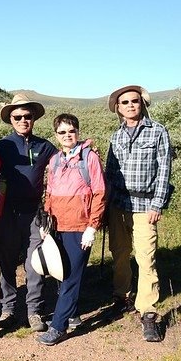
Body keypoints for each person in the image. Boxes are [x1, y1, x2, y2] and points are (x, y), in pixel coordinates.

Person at [105, 84, 172, 342]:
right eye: (125, 102)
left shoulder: (158, 131)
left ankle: (148, 313)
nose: (131, 105)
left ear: (142, 104)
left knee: (146, 257)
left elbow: (164, 170)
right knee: (120, 253)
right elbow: (110, 173)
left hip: (146, 206)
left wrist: (158, 204)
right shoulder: (116, 136)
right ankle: (122, 297)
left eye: (135, 101)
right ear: (118, 108)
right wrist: (106, 205)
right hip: (119, 204)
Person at [36, 114, 106, 346]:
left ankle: (58, 327)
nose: (68, 135)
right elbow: (50, 193)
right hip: (57, 226)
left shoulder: (90, 158)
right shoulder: (55, 160)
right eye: (62, 132)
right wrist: (46, 221)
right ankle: (72, 315)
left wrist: (92, 226)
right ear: (56, 135)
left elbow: (99, 193)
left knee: (70, 278)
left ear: (78, 131)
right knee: (59, 273)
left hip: (79, 227)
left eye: (71, 131)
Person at [0, 94, 57, 332]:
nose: (22, 120)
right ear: (10, 119)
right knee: (6, 261)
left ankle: (34, 310)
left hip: (35, 213)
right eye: (17, 117)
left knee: (34, 263)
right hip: (8, 212)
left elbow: (62, 166)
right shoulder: (2, 146)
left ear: (33, 119)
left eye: (27, 116)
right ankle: (7, 309)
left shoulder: (46, 146)